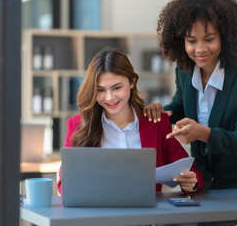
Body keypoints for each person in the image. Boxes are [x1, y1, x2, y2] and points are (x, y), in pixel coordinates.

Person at [143, 0, 237, 192]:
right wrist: (166, 113)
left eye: (209, 39)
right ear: (181, 41)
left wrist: (203, 134)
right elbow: (182, 104)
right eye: (192, 41)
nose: (200, 49)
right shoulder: (184, 70)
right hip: (204, 182)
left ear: (226, 37)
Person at [57, 48, 203, 195]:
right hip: (98, 214)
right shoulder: (77, 126)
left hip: (146, 215)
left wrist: (192, 182)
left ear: (132, 82)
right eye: (100, 90)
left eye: (117, 88)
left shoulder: (157, 123)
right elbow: (65, 184)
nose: (109, 97)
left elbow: (189, 171)